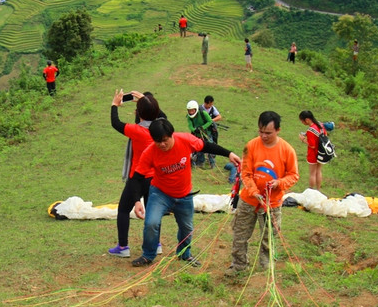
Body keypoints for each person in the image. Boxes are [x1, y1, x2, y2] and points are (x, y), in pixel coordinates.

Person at [130, 119, 241, 267]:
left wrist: (229, 153)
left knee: (187, 228)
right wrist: (137, 201)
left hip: (184, 195)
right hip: (160, 194)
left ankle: (184, 254)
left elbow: (206, 146)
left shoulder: (185, 140)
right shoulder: (150, 152)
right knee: (151, 223)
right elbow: (137, 178)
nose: (162, 144)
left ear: (171, 135)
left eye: (165, 140)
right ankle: (148, 255)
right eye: (158, 141)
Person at [226, 111, 299, 276]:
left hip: (272, 203)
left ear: (278, 130)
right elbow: (245, 173)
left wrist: (279, 183)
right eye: (261, 131)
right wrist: (253, 191)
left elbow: (293, 175)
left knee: (269, 236)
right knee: (240, 233)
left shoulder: (287, 150)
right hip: (248, 200)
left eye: (268, 133)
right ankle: (238, 265)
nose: (263, 136)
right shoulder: (251, 146)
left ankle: (266, 266)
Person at [108, 89, 164, 258]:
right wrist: (147, 101)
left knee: (124, 209)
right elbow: (162, 117)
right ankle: (156, 244)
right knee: (153, 210)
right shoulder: (160, 129)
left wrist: (114, 105)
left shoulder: (136, 130)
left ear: (138, 113)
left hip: (137, 178)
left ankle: (123, 247)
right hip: (154, 177)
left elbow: (115, 123)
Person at [298, 110, 327, 190]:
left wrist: (303, 139)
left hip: (314, 153)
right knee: (319, 171)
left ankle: (311, 189)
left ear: (307, 120)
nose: (302, 122)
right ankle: (318, 189)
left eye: (302, 121)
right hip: (322, 152)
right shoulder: (320, 124)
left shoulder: (310, 130)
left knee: (312, 173)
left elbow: (312, 145)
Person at [185, 100, 215, 168]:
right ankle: (200, 162)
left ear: (196, 109)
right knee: (199, 148)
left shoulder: (203, 113)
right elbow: (190, 126)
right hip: (197, 135)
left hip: (207, 134)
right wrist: (195, 130)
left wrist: (202, 127)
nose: (191, 112)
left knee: (210, 148)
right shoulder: (189, 117)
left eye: (192, 110)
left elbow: (210, 121)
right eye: (189, 110)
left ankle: (212, 163)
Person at [202, 95, 222, 168]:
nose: (211, 105)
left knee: (212, 144)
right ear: (206, 103)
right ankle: (201, 161)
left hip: (211, 130)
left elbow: (219, 116)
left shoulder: (212, 109)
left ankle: (212, 162)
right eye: (210, 104)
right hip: (202, 130)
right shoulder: (200, 109)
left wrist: (211, 121)